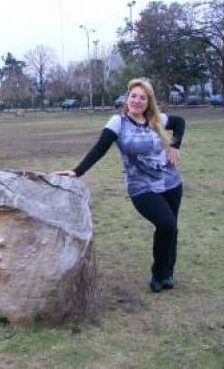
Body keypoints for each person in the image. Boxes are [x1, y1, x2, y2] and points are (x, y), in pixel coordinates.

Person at [56, 78, 185, 293]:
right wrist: (77, 171)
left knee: (171, 229)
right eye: (133, 96)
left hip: (171, 183)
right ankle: (157, 271)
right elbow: (100, 148)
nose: (137, 100)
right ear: (127, 99)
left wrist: (175, 145)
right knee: (167, 224)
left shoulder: (157, 119)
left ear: (148, 101)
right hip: (141, 187)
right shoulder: (118, 122)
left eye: (142, 97)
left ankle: (167, 273)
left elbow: (180, 122)